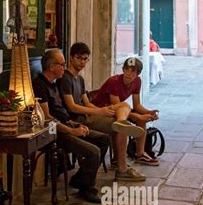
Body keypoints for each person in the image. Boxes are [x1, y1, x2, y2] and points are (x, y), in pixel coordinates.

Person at [59, 42, 145, 182]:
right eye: (79, 58)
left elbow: (87, 103)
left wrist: (101, 111)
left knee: (123, 106)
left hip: (89, 113)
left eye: (85, 59)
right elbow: (72, 107)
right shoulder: (65, 78)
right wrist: (100, 112)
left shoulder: (80, 79)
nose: (82, 62)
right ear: (71, 58)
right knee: (121, 127)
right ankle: (122, 170)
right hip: (78, 119)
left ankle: (121, 122)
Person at [33, 48, 110, 204]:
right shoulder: (40, 85)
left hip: (68, 124)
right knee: (93, 152)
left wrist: (75, 125)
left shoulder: (53, 84)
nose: (64, 67)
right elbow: (47, 119)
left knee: (103, 139)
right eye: (61, 64)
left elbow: (63, 112)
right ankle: (86, 188)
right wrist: (72, 131)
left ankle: (81, 180)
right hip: (56, 133)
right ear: (51, 67)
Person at [91, 57, 160, 169]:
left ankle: (140, 154)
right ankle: (117, 159)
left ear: (138, 74)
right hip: (102, 110)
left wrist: (149, 112)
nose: (128, 73)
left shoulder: (137, 81)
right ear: (122, 69)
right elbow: (117, 109)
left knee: (141, 119)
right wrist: (138, 115)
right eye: (126, 69)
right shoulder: (114, 82)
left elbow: (137, 105)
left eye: (133, 71)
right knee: (120, 124)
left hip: (119, 109)